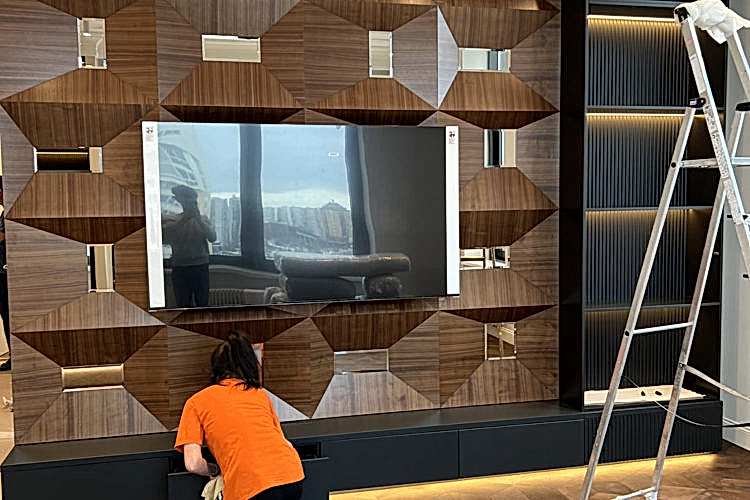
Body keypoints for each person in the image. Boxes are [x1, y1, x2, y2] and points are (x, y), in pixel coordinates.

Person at [175, 332, 304, 500]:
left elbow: (193, 463)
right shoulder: (258, 394)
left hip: (251, 486)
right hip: (291, 475)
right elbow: (284, 442)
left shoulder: (196, 402)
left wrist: (215, 470)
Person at [162, 185, 217, 307]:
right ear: (179, 200)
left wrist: (198, 219)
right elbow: (164, 236)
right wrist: (185, 219)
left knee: (202, 304)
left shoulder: (203, 219)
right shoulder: (172, 219)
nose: (191, 204)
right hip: (181, 267)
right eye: (187, 200)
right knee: (183, 304)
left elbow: (212, 237)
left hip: (200, 266)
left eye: (192, 201)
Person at [0, 188, 10, 372]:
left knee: (8, 315)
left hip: (4, 272)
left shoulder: (8, 213)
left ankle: (15, 357)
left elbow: (2, 236)